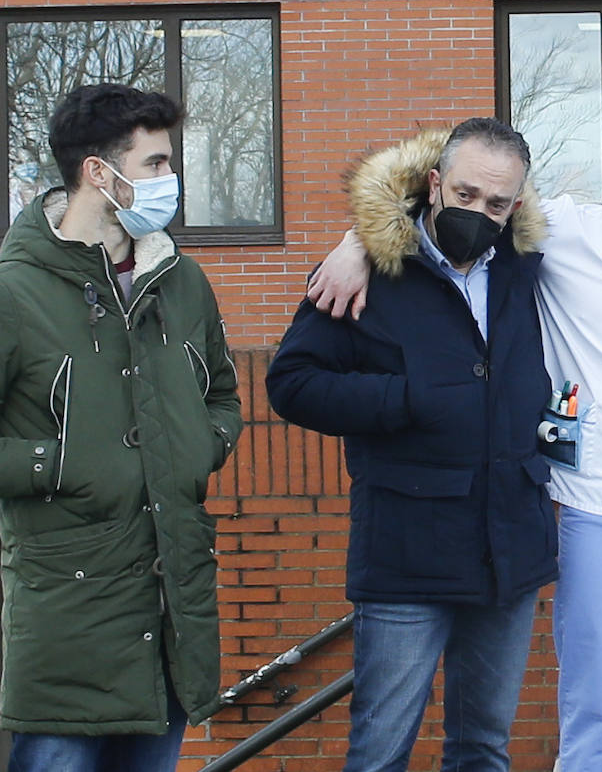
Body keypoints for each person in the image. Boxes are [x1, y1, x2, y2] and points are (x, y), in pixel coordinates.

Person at [307, 83, 602, 772]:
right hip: (599, 506)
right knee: (595, 701)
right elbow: (453, 193)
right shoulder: (561, 231)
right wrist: (355, 242)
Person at [266, 118, 556, 772]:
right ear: (433, 183)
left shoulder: (527, 270)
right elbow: (291, 382)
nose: (479, 211)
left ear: (516, 204)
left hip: (509, 550)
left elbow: (566, 379)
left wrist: (556, 464)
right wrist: (404, 398)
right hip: (405, 552)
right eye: (466, 193)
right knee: (380, 749)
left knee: (484, 747)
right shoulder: (366, 271)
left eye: (497, 202)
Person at [0, 83, 243, 772]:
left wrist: (205, 443)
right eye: (158, 164)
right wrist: (56, 463)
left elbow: (221, 392)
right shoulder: (14, 290)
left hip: (172, 613)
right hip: (67, 619)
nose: (173, 181)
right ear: (98, 173)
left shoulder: (181, 279)